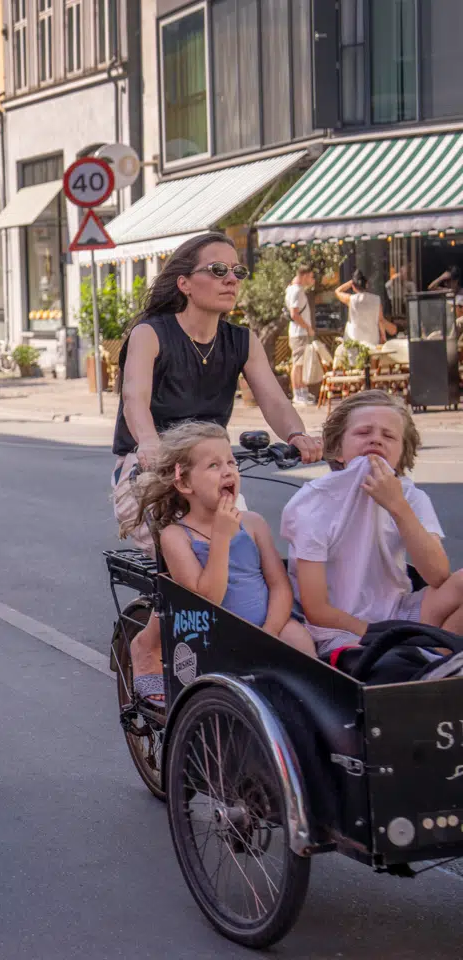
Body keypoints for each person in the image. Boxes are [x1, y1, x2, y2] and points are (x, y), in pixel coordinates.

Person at [112, 232, 323, 700]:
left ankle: (250, 653)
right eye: (218, 271)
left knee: (240, 546)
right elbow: (134, 398)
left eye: (237, 272)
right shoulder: (151, 334)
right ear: (184, 283)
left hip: (210, 467)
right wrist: (149, 443)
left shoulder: (241, 340)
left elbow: (273, 398)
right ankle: (148, 645)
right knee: (182, 557)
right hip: (150, 470)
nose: (231, 280)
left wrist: (298, 436)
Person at [282, 390, 463, 659]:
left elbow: (437, 575)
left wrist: (398, 507)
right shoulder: (313, 503)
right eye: (363, 432)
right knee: (371, 656)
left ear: (401, 454)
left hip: (399, 611)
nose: (376, 439)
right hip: (342, 626)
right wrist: (381, 635)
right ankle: (426, 657)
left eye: (388, 436)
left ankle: (435, 655)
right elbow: (317, 609)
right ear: (338, 450)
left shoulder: (411, 497)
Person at [129, 421, 315, 661]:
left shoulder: (253, 523)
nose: (228, 471)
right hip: (217, 636)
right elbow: (208, 600)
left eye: (231, 462)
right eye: (214, 465)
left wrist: (269, 631)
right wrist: (221, 537)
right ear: (185, 483)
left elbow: (279, 586)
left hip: (271, 625)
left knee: (304, 652)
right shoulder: (176, 536)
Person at [335, 271, 394, 347]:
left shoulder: (351, 299)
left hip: (354, 340)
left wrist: (351, 282)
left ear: (353, 286)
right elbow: (381, 320)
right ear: (366, 284)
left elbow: (337, 291)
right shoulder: (376, 300)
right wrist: (383, 336)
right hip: (371, 340)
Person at [286, 265, 316, 406]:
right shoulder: (297, 291)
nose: (312, 280)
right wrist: (308, 327)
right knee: (298, 363)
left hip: (298, 332)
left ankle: (302, 392)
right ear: (304, 276)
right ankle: (297, 394)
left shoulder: (293, 289)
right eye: (311, 276)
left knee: (301, 362)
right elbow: (294, 314)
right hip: (299, 333)